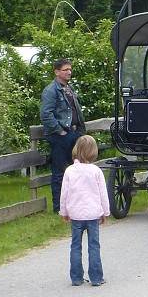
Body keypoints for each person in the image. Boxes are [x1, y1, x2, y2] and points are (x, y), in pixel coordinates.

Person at [60, 135, 109, 287]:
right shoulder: (95, 171)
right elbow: (103, 193)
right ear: (93, 152)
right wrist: (105, 212)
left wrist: (64, 211)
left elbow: (64, 193)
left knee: (75, 245)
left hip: (76, 214)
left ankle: (76, 277)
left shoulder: (70, 171)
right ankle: (96, 277)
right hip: (93, 214)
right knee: (94, 245)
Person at [40, 59, 85, 213]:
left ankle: (74, 205)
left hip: (73, 133)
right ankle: (58, 208)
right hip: (60, 136)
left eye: (70, 69)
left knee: (77, 170)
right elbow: (46, 114)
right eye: (65, 70)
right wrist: (60, 131)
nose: (69, 72)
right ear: (57, 72)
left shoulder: (69, 88)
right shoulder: (51, 90)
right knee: (59, 172)